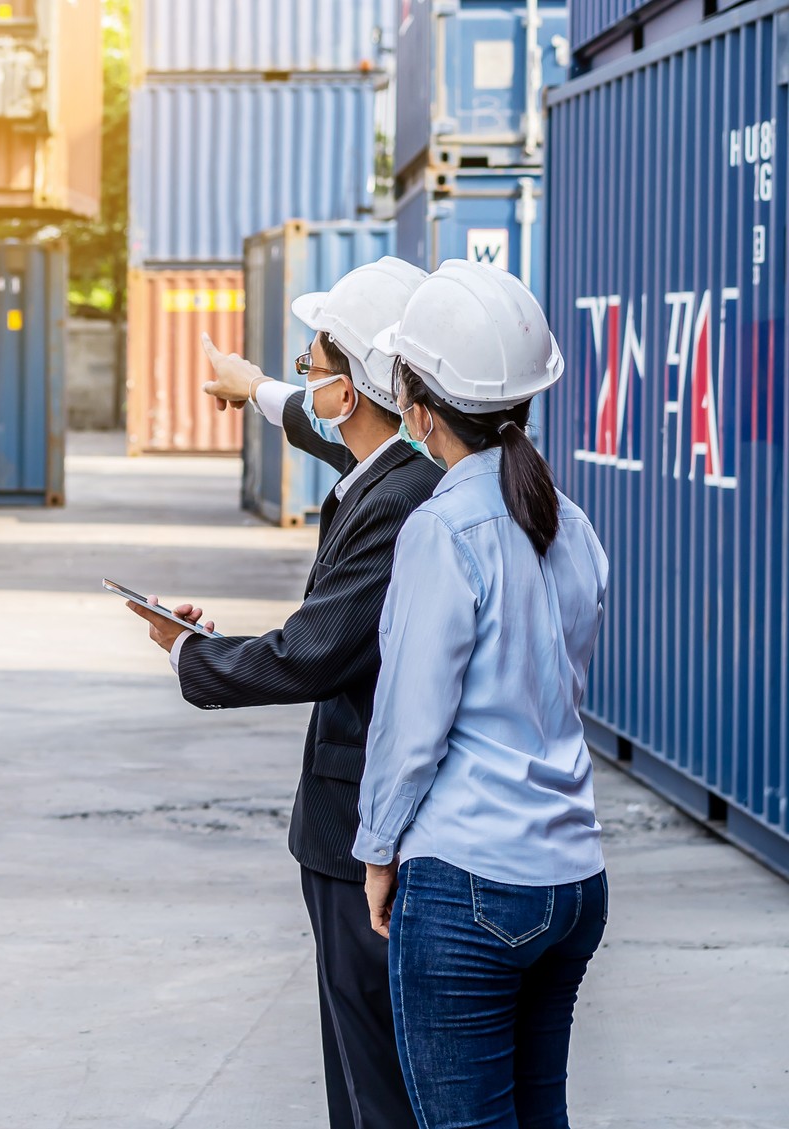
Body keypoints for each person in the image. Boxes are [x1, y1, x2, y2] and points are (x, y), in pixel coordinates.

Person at [131, 257, 436, 1129]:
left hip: (362, 846)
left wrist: (194, 652)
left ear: (353, 388)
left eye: (311, 363)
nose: (304, 379)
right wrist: (255, 386)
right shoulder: (398, 465)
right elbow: (316, 417)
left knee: (375, 1084)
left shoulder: (400, 500)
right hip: (362, 838)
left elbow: (311, 654)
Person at [355, 261, 609, 1129]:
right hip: (573, 878)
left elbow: (411, 725)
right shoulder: (568, 522)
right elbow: (564, 682)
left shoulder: (440, 528)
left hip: (469, 883)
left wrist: (378, 849)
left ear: (420, 412)